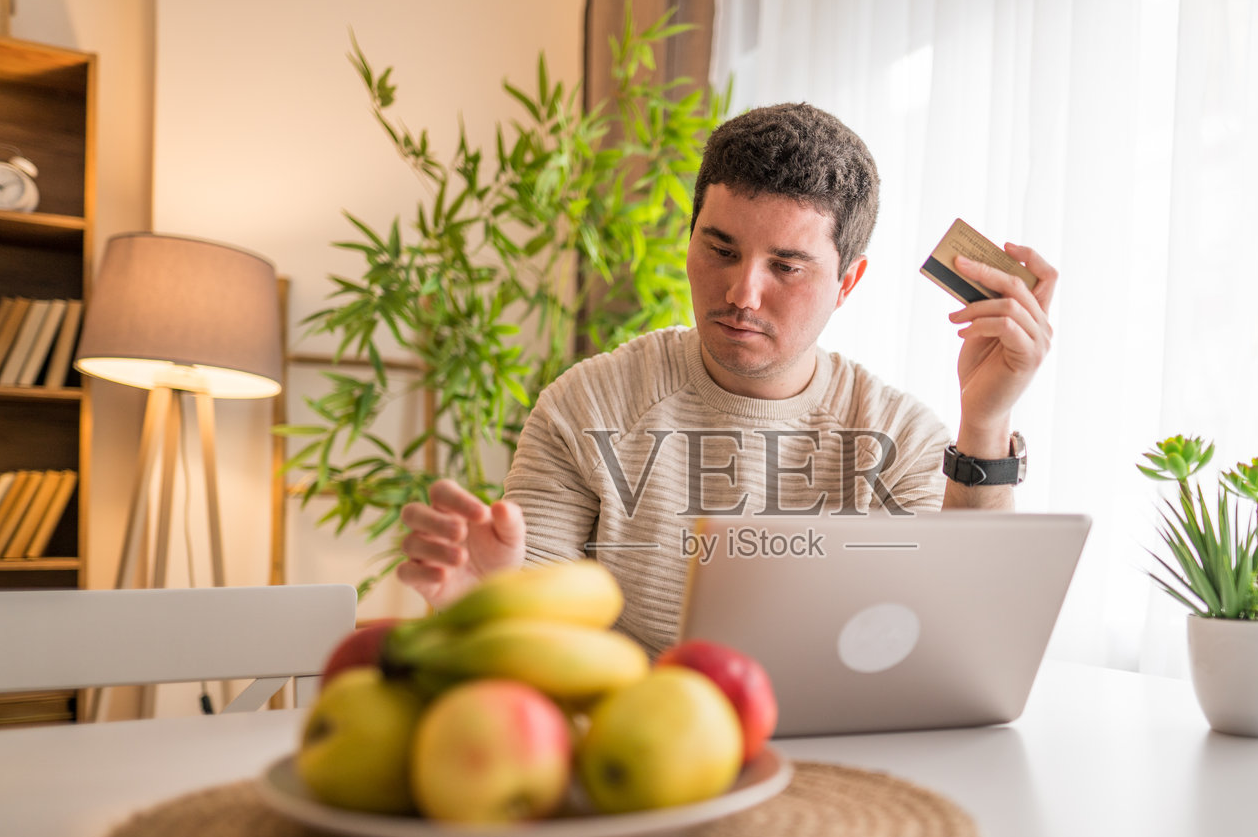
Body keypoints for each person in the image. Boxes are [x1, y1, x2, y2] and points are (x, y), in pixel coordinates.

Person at [397, 102, 1056, 654]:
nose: (743, 293)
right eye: (720, 250)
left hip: (844, 776)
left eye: (787, 267)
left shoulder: (899, 436)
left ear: (846, 283)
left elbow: (962, 641)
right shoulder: (586, 405)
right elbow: (532, 643)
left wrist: (985, 422)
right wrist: (478, 613)